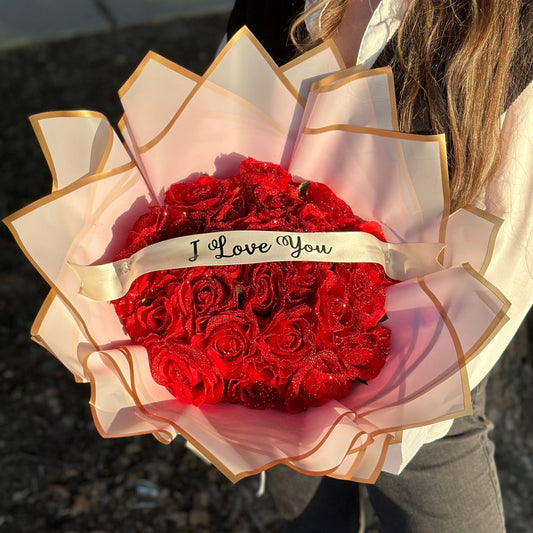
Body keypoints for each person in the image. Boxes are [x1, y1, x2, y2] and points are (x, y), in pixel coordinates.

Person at [226, 1, 533, 532]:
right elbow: (230, 109)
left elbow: (506, 236)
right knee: (300, 496)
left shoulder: (512, 29)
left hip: (428, 345)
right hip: (269, 326)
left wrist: (405, 393)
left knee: (437, 488)